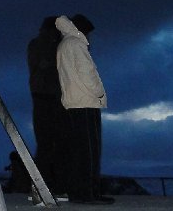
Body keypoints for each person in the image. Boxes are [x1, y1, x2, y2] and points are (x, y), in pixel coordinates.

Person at [55, 14, 112, 205]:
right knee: (89, 151)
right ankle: (89, 193)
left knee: (78, 150)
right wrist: (98, 92)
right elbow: (87, 73)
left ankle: (79, 192)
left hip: (73, 102)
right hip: (85, 102)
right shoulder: (77, 43)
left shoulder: (64, 44)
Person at [27, 16, 71, 199]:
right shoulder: (44, 45)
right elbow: (44, 65)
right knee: (51, 143)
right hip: (48, 97)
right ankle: (47, 187)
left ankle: (48, 186)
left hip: (47, 96)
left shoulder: (42, 44)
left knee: (49, 143)